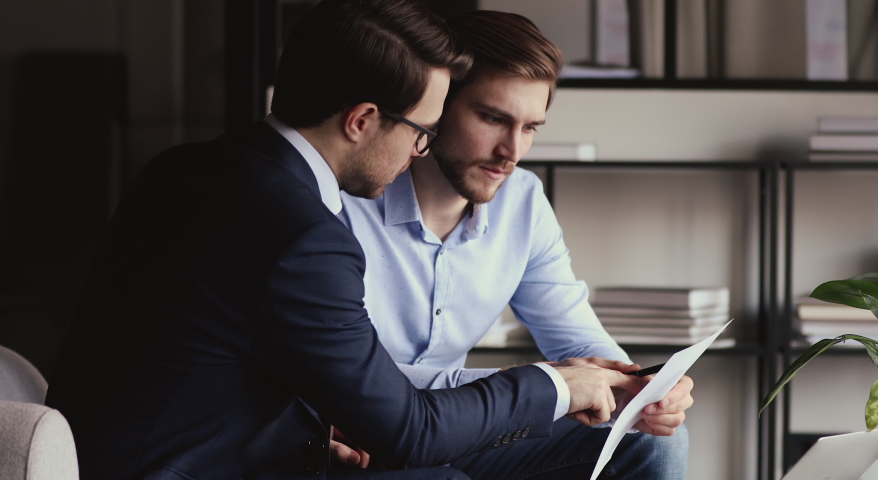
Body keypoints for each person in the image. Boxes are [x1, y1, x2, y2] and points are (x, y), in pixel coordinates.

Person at [44, 1, 649, 479]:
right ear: (360, 121)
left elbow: (210, 364)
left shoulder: (189, 166)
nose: (420, 150)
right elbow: (409, 432)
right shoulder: (305, 232)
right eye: (421, 131)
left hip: (126, 453)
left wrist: (314, 432)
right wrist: (556, 382)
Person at [340, 10, 693, 479]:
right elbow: (353, 380)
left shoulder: (522, 200)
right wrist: (553, 384)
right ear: (438, 103)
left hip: (464, 429)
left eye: (530, 128)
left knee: (650, 441)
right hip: (349, 432)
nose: (513, 151)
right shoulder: (348, 197)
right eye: (492, 118)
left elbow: (578, 337)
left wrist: (639, 388)